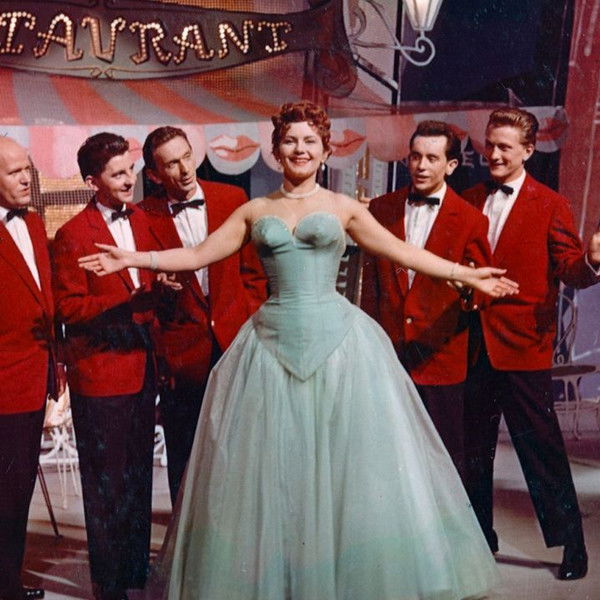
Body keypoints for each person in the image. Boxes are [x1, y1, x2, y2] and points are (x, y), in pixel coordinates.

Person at [80, 102, 518, 600]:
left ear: (325, 151)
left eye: (310, 141)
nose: (300, 149)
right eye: (290, 140)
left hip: (340, 347)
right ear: (275, 150)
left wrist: (466, 274)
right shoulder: (254, 211)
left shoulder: (345, 208)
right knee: (273, 477)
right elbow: (199, 254)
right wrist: (134, 257)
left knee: (344, 471)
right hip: (270, 347)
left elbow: (403, 252)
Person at [461, 107, 600, 580]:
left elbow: (571, 270)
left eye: (505, 147)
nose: (495, 154)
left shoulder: (551, 204)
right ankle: (481, 537)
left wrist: (593, 261)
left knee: (542, 452)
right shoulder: (469, 198)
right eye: (490, 144)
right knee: (473, 452)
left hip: (523, 348)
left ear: (528, 150)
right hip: (472, 345)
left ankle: (573, 545)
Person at [52, 133, 158, 600]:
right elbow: (68, 309)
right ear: (92, 181)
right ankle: (109, 584)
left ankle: (134, 574)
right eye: (117, 174)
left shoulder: (144, 219)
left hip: (143, 369)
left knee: (138, 478)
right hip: (100, 375)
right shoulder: (72, 234)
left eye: (130, 169)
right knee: (106, 485)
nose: (129, 179)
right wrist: (126, 303)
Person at [140, 126, 267, 505]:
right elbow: (143, 287)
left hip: (236, 345)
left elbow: (254, 275)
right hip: (182, 357)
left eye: (187, 157)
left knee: (240, 451)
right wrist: (158, 291)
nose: (184, 169)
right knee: (185, 457)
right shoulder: (143, 216)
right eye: (171, 164)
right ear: (154, 175)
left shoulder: (233, 198)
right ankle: (186, 534)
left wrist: (249, 325)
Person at [361, 120, 492, 480]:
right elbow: (370, 287)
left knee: (441, 467)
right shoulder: (380, 208)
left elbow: (479, 290)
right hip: (388, 357)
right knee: (384, 462)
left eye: (432, 158)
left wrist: (467, 291)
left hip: (440, 359)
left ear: (451, 165)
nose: (421, 165)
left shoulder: (471, 220)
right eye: (415, 156)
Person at [0, 137, 62, 600]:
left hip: (33, 378)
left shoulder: (35, 222)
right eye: (13, 172)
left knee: (16, 491)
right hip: (4, 380)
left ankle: (8, 583)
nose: (25, 179)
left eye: (27, 169)